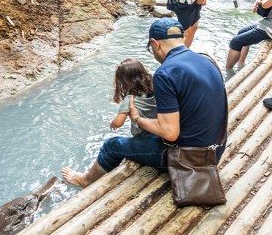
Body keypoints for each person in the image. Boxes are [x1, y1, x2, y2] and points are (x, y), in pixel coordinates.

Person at [62, 18, 226, 188]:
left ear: (155, 44)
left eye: (150, 49)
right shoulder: (207, 60)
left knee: (112, 145)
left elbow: (170, 133)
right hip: (216, 150)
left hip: (189, 160)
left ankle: (84, 180)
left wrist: (137, 119)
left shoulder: (165, 73)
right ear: (182, 38)